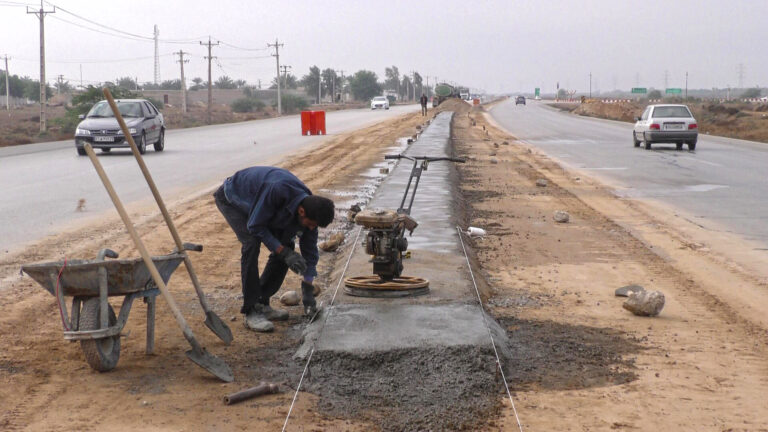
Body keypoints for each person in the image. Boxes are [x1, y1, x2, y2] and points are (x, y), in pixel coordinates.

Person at [213, 167, 335, 332]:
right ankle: (251, 311)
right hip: (234, 199)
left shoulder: (310, 208)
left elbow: (310, 251)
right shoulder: (278, 190)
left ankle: (262, 302)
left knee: (287, 246)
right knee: (252, 243)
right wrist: (283, 252)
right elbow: (255, 225)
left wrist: (307, 289)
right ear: (301, 212)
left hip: (261, 205)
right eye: (311, 224)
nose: (312, 229)